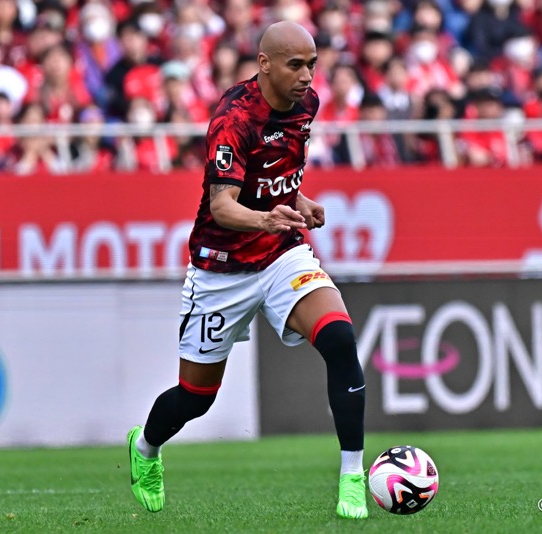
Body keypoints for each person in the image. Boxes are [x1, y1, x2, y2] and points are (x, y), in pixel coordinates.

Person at [126, 21, 369, 520]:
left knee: (340, 340)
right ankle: (146, 447)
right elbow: (222, 206)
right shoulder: (233, 119)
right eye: (295, 65)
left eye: (312, 64)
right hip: (221, 269)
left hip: (281, 253)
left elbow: (276, 174)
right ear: (264, 64)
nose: (307, 76)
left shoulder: (307, 105)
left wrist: (299, 201)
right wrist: (266, 216)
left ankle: (353, 478)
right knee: (196, 397)